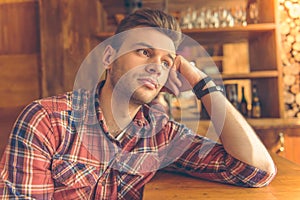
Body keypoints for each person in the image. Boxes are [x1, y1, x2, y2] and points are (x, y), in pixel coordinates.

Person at [0, 8, 276, 200]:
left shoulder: (162, 136)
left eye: (166, 62)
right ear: (109, 57)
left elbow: (255, 170)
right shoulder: (47, 120)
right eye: (145, 52)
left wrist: (200, 81)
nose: (157, 67)